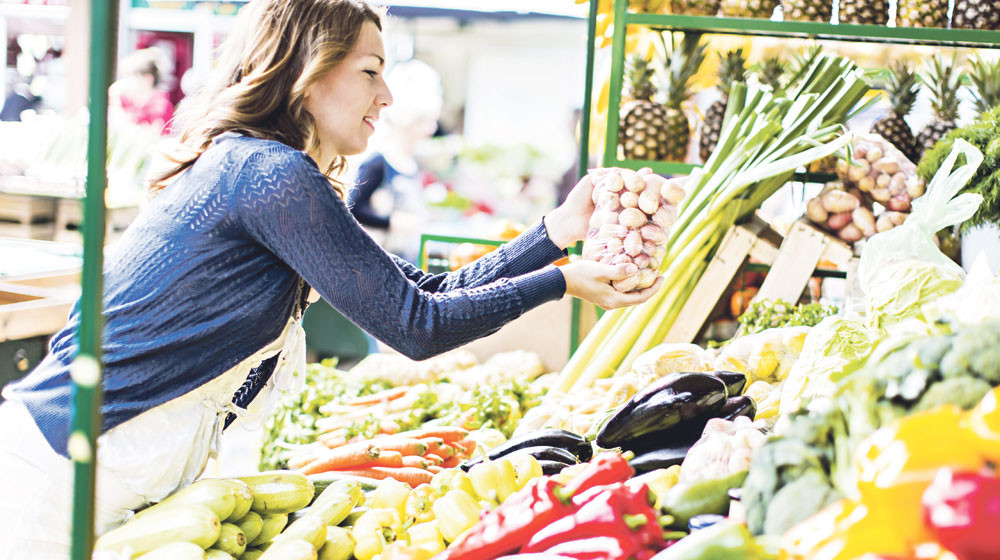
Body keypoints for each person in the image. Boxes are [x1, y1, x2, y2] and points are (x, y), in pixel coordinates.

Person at [0, 0, 663, 555]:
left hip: (101, 479)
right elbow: (416, 328)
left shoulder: (267, 172)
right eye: (371, 70)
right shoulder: (270, 175)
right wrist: (563, 281)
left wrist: (555, 233)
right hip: (57, 486)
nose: (388, 94)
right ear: (307, 73)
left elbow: (421, 295)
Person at [349, 58, 443, 262]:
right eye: (422, 121)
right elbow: (353, 207)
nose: (430, 129)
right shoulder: (378, 162)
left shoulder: (410, 162)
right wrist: (391, 222)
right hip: (380, 263)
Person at [109, 48, 174, 134]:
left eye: (132, 79)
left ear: (148, 79)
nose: (127, 83)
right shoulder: (126, 100)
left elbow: (159, 134)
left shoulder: (160, 105)